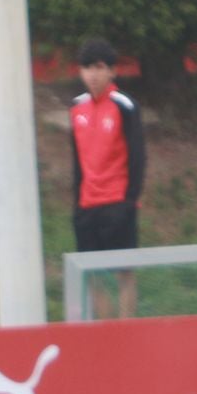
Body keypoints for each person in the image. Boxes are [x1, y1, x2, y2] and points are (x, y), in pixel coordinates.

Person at [68, 39, 146, 320]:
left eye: (99, 67)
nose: (93, 74)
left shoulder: (125, 106)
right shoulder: (77, 108)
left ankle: (125, 331)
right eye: (88, 67)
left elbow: (137, 156)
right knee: (93, 275)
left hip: (117, 201)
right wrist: (78, 204)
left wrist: (130, 200)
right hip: (88, 205)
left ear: (112, 71)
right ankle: (104, 330)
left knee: (124, 271)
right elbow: (77, 161)